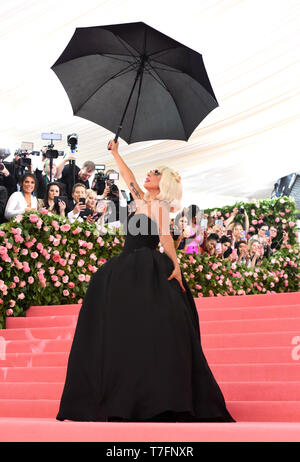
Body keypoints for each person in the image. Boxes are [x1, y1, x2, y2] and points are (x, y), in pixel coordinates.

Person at [56, 139, 234, 423]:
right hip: (124, 269)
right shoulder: (140, 199)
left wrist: (176, 265)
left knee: (149, 329)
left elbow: (166, 240)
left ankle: (152, 394)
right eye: (150, 171)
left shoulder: (160, 207)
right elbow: (128, 177)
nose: (149, 174)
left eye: (155, 173)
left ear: (163, 184)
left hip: (145, 269)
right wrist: (116, 153)